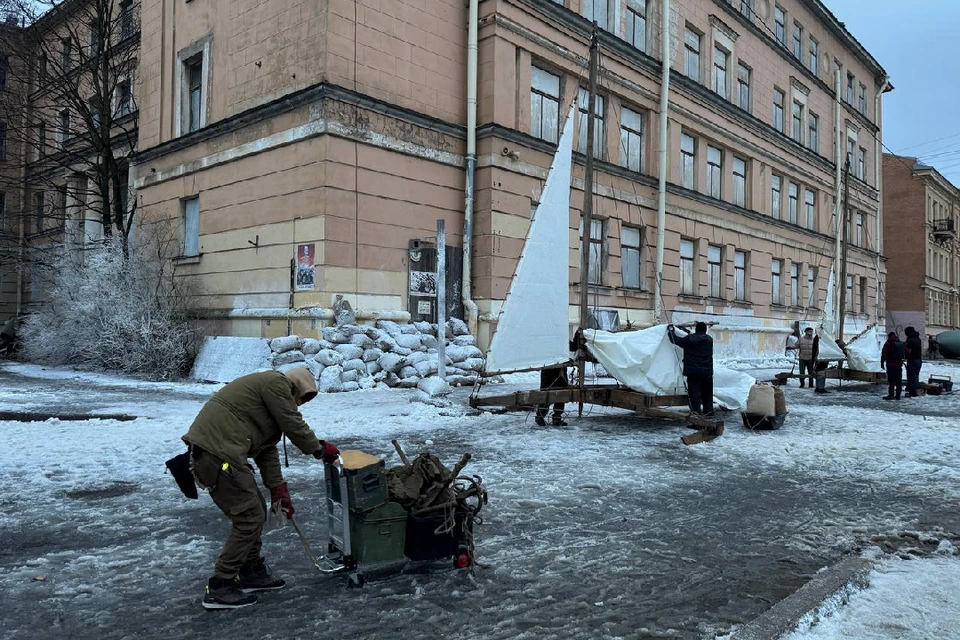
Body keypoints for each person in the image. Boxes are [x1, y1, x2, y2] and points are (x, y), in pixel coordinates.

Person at [181, 368, 340, 610]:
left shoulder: (267, 405)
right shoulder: (276, 383)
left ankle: (250, 571)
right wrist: (318, 449)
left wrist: (278, 488)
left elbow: (267, 450)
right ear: (295, 388)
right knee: (249, 516)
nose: (299, 405)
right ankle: (220, 585)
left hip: (223, 455)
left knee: (255, 512)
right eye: (301, 398)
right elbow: (293, 423)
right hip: (217, 455)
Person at [668, 322, 714, 417]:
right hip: (707, 372)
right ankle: (709, 414)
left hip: (694, 372)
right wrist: (684, 330)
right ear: (705, 330)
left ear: (696, 329)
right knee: (707, 395)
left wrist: (671, 331)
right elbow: (695, 337)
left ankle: (696, 417)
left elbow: (675, 340)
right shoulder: (709, 339)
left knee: (695, 395)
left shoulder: (689, 339)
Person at [880, 331, 905, 400]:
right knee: (898, 380)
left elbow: (884, 353)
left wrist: (882, 363)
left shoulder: (888, 343)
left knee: (891, 381)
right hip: (899, 365)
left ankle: (891, 395)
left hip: (890, 364)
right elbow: (905, 352)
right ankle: (898, 395)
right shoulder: (900, 342)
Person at [904, 326, 924, 398]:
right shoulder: (918, 339)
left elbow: (908, 351)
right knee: (916, 376)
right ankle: (916, 390)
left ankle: (913, 392)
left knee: (911, 376)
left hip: (912, 360)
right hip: (919, 360)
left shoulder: (910, 340)